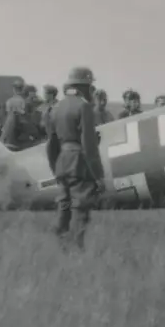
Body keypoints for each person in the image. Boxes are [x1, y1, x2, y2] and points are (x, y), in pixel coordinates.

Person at [48, 67, 105, 249]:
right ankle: (77, 247)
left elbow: (51, 144)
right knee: (81, 206)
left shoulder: (55, 107)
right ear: (85, 86)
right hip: (78, 162)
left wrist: (55, 168)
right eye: (91, 86)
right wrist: (98, 174)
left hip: (62, 162)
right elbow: (89, 145)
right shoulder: (84, 106)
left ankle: (60, 244)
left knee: (63, 205)